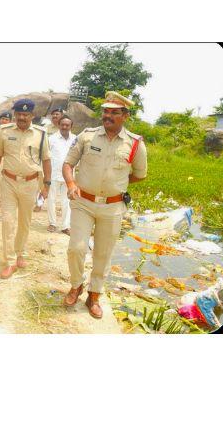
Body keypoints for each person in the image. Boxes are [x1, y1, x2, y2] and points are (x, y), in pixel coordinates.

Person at [62, 91, 148, 318]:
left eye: (114, 112)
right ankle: (76, 285)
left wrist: (115, 185)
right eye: (106, 111)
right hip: (83, 202)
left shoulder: (135, 144)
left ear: (125, 116)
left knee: (103, 253)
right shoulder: (87, 136)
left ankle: (94, 295)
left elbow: (139, 175)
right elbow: (68, 164)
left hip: (112, 207)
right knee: (76, 248)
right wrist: (71, 183)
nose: (108, 116)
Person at [0, 99, 52, 279]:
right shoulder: (4, 132)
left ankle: (20, 253)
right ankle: (9, 261)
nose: (22, 117)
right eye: (19, 114)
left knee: (25, 221)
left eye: (26, 115)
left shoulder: (41, 134)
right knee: (8, 221)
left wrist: (46, 185)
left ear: (32, 116)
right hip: (8, 182)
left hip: (31, 183)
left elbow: (47, 160)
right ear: (15, 115)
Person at [47, 115, 76, 234]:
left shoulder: (75, 139)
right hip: (53, 174)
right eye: (62, 124)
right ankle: (52, 223)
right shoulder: (51, 139)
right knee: (51, 199)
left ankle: (65, 226)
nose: (64, 127)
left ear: (71, 126)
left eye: (67, 125)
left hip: (68, 176)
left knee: (67, 201)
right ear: (58, 125)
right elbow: (46, 157)